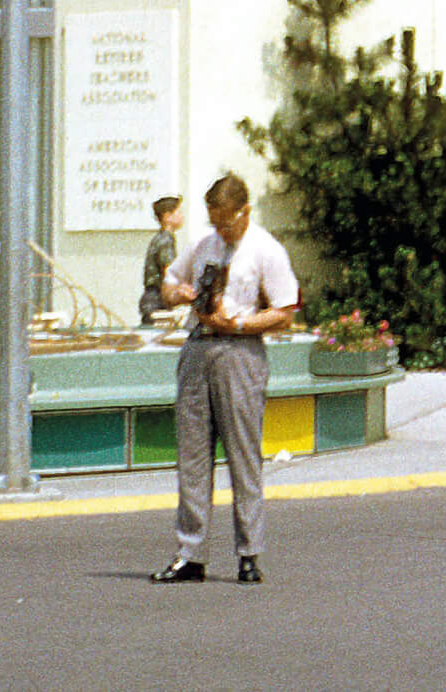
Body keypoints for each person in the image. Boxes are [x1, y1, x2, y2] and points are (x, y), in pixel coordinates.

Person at [152, 174, 298, 585]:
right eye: (214, 221)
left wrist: (240, 322)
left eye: (226, 222)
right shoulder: (204, 244)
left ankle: (249, 552)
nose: (220, 230)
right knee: (193, 454)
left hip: (240, 351)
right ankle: (191, 553)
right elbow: (167, 283)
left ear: (245, 212)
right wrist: (178, 293)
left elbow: (285, 312)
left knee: (243, 454)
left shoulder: (266, 250)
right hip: (199, 347)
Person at [139, 195, 184, 325]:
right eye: (178, 212)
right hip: (157, 299)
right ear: (167, 217)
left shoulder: (160, 238)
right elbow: (168, 271)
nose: (182, 216)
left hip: (152, 298)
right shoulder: (166, 240)